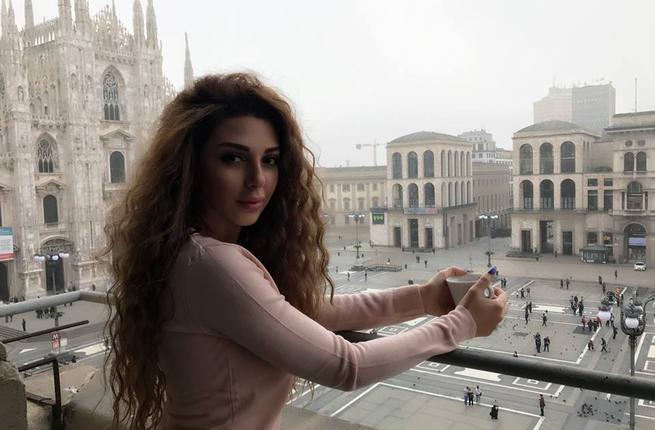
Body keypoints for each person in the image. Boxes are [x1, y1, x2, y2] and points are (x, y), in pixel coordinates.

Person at [101, 73, 509, 430]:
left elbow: (303, 313)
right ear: (191, 165)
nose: (257, 179)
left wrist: (423, 298)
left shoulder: (194, 251)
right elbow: (347, 366)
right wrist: (462, 324)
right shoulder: (212, 263)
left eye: (270, 160)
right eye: (233, 158)